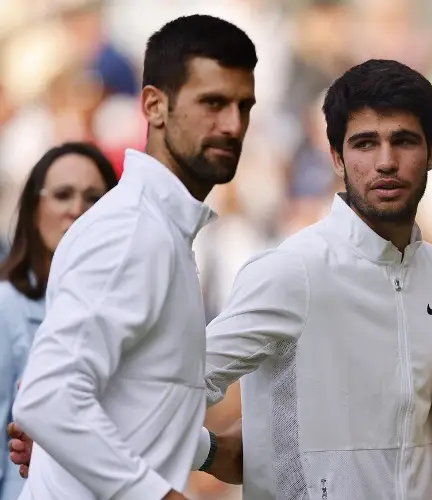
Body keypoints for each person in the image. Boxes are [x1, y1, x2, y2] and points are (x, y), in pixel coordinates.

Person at [192, 59, 432, 499]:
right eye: (365, 143)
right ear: (336, 158)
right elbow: (173, 384)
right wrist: (208, 452)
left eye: (403, 141)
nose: (386, 162)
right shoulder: (291, 271)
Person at [8, 14, 256, 500]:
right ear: (154, 105)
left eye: (243, 106)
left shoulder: (162, 230)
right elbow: (49, 398)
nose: (233, 125)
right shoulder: (133, 233)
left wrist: (205, 449)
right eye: (212, 103)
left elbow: (131, 398)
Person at [0, 142, 118, 500]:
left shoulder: (124, 310)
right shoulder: (8, 307)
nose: (77, 210)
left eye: (94, 198)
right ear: (35, 209)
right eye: (63, 195)